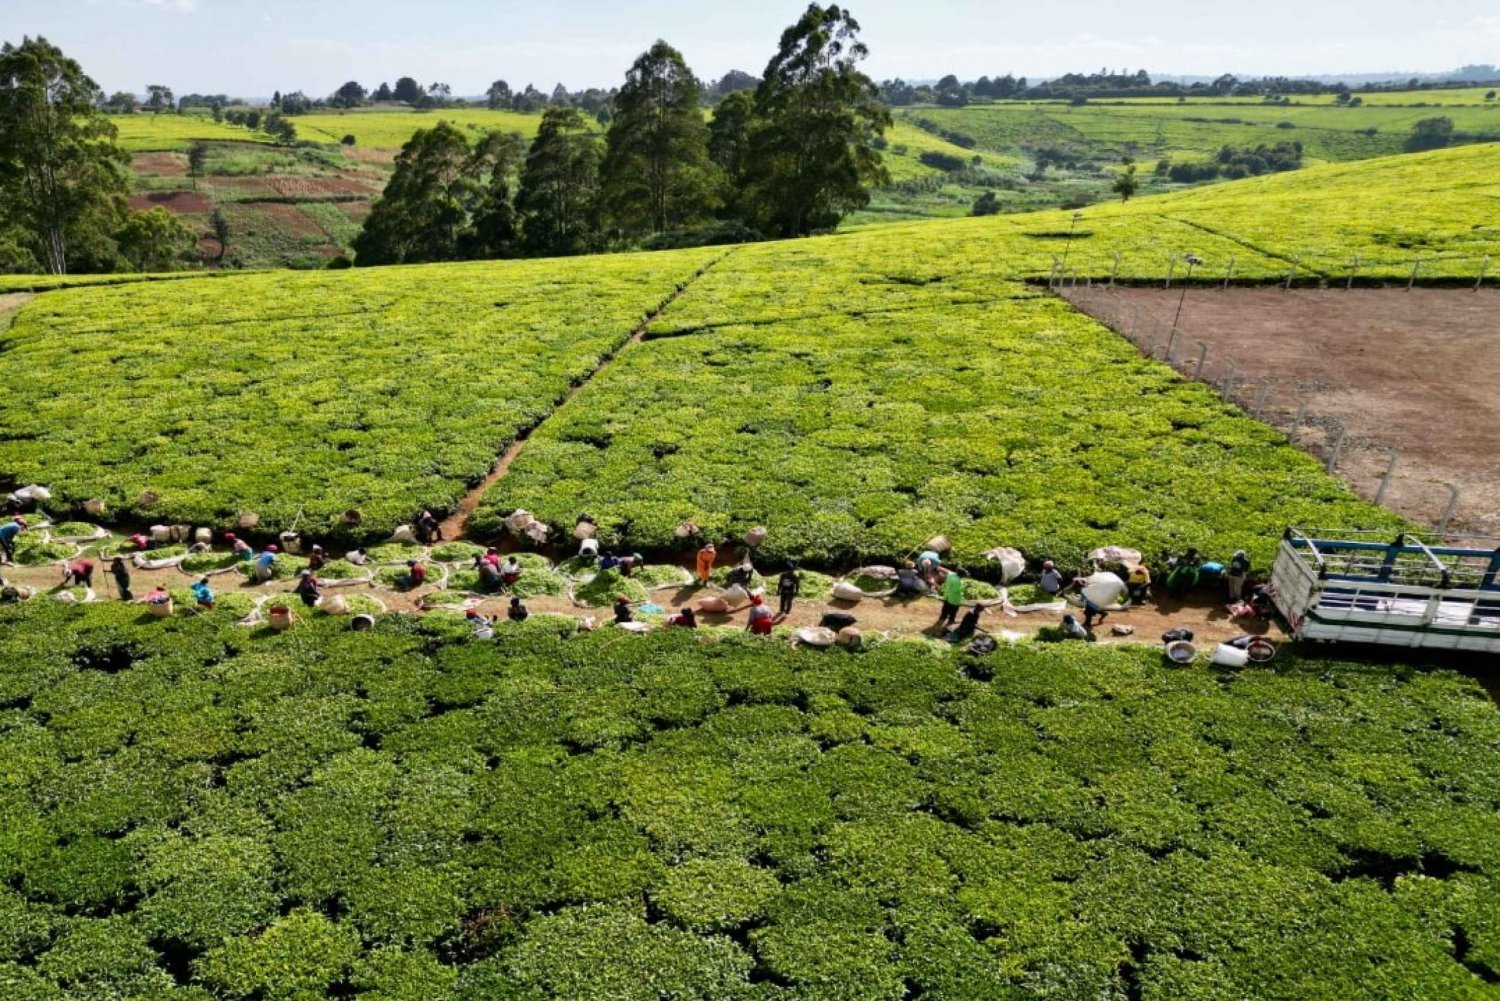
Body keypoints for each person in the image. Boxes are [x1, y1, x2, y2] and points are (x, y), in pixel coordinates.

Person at [934, 567, 964, 631]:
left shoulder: (951, 575)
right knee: (953, 611)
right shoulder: (958, 581)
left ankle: (942, 618)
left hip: (947, 594)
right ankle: (951, 621)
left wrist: (940, 568)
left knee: (945, 607)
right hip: (954, 598)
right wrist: (962, 593)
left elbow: (948, 571)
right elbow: (956, 590)